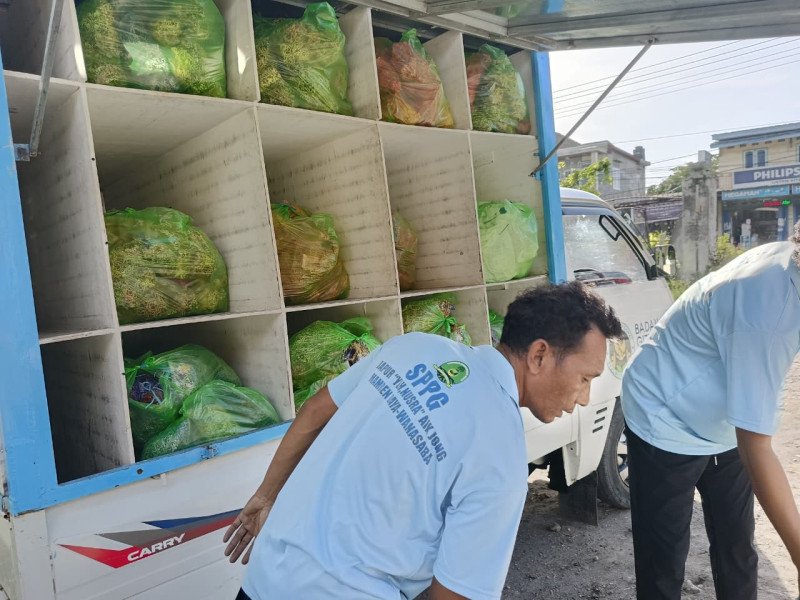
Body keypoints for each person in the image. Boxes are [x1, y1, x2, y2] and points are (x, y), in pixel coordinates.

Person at [224, 282, 621, 600]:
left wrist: (266, 494)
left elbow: (314, 411)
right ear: (539, 355)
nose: (584, 397)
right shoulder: (500, 455)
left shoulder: (412, 347)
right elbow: (457, 593)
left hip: (265, 578)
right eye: (585, 378)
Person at [622, 233, 800, 600]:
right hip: (664, 415)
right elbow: (757, 447)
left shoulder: (791, 262)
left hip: (723, 422)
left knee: (738, 546)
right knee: (664, 560)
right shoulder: (769, 307)